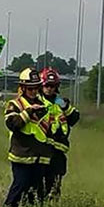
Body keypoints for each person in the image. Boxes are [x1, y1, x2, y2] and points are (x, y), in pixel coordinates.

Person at [2, 67, 53, 207]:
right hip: (22, 155)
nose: (33, 91)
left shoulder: (44, 105)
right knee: (20, 185)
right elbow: (12, 124)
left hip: (40, 156)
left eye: (36, 88)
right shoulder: (15, 104)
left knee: (36, 191)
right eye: (30, 88)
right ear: (23, 88)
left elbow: (47, 130)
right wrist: (28, 112)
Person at [39, 67, 80, 198]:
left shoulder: (60, 102)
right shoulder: (37, 101)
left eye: (53, 86)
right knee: (39, 185)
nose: (50, 89)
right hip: (41, 149)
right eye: (47, 85)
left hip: (58, 151)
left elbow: (74, 118)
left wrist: (66, 107)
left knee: (55, 187)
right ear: (41, 85)